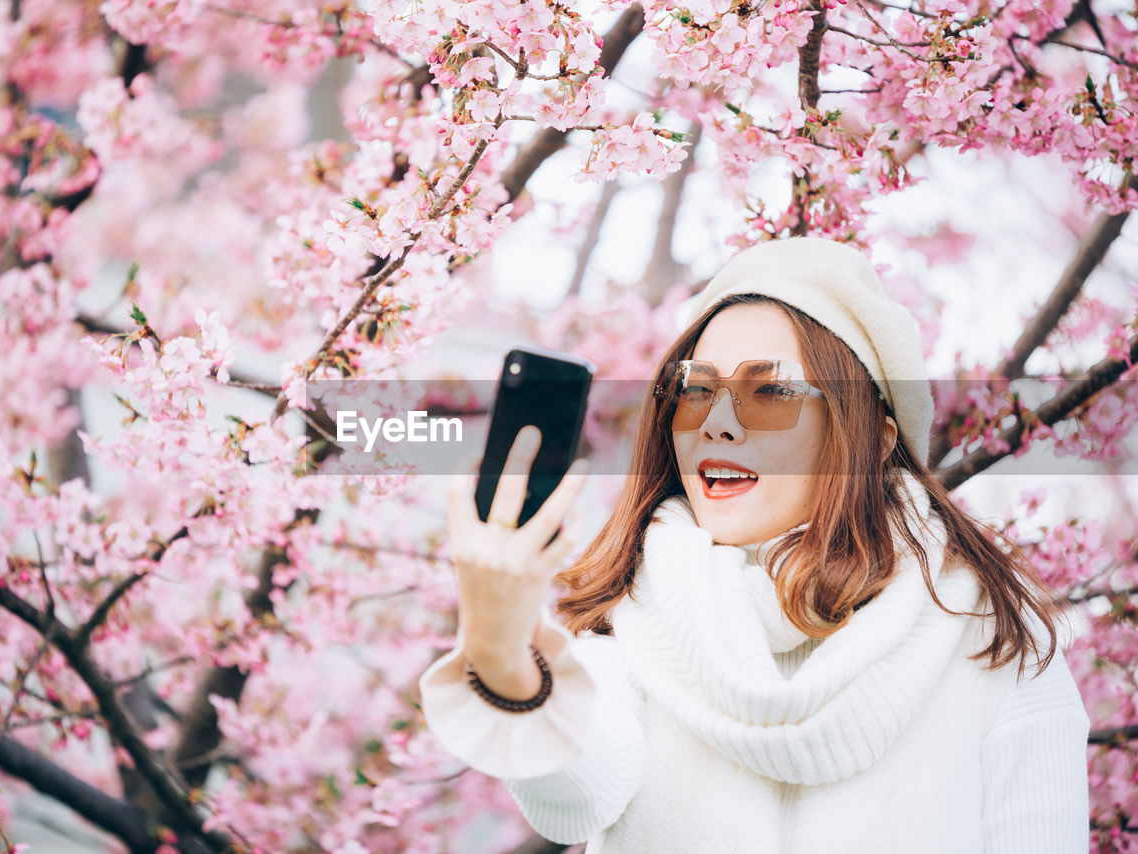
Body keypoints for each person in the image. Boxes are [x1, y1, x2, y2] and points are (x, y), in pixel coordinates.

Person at [418, 236, 1090, 854]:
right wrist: (501, 648)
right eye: (696, 389)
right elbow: (574, 797)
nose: (717, 423)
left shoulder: (996, 642)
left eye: (770, 392)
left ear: (872, 441)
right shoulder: (638, 625)